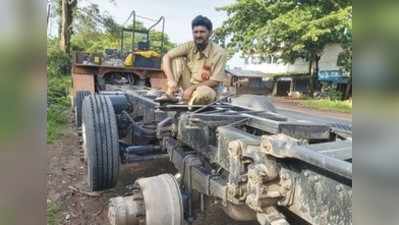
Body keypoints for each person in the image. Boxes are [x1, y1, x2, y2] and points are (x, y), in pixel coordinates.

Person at [162, 15, 228, 105]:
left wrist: (192, 89)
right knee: (176, 59)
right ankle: (171, 94)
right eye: (195, 32)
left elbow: (214, 81)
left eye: (202, 32)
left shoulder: (219, 53)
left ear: (210, 33)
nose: (198, 35)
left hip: (207, 89)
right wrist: (171, 80)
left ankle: (187, 102)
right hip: (189, 85)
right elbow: (167, 56)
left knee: (204, 94)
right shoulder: (190, 45)